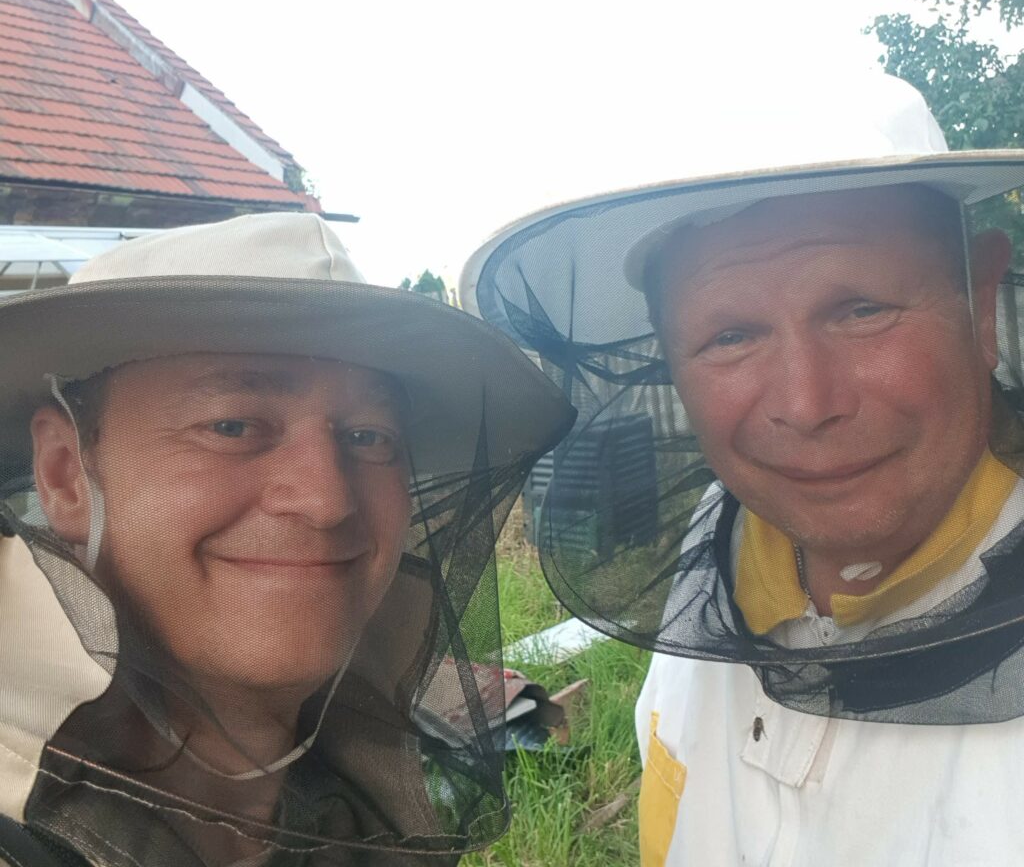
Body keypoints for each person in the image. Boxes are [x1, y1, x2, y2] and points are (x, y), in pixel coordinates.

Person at [460, 72, 1024, 865]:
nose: (806, 402)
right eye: (730, 336)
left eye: (861, 308)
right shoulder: (716, 539)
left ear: (982, 302)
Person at [0, 212, 574, 867]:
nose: (327, 501)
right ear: (66, 474)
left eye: (369, 437)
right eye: (233, 426)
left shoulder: (355, 781)